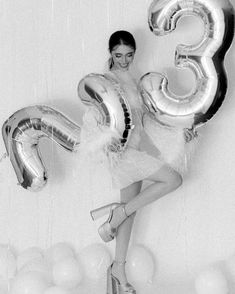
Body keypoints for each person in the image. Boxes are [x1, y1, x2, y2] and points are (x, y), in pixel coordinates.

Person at [86, 30, 183, 294]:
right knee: (173, 180)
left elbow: (144, 121)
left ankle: (118, 267)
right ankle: (118, 215)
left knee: (130, 210)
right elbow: (94, 120)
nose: (124, 60)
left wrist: (180, 129)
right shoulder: (106, 81)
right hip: (123, 155)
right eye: (118, 55)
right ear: (110, 54)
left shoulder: (133, 80)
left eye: (129, 55)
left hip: (138, 152)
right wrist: (108, 147)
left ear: (134, 54)